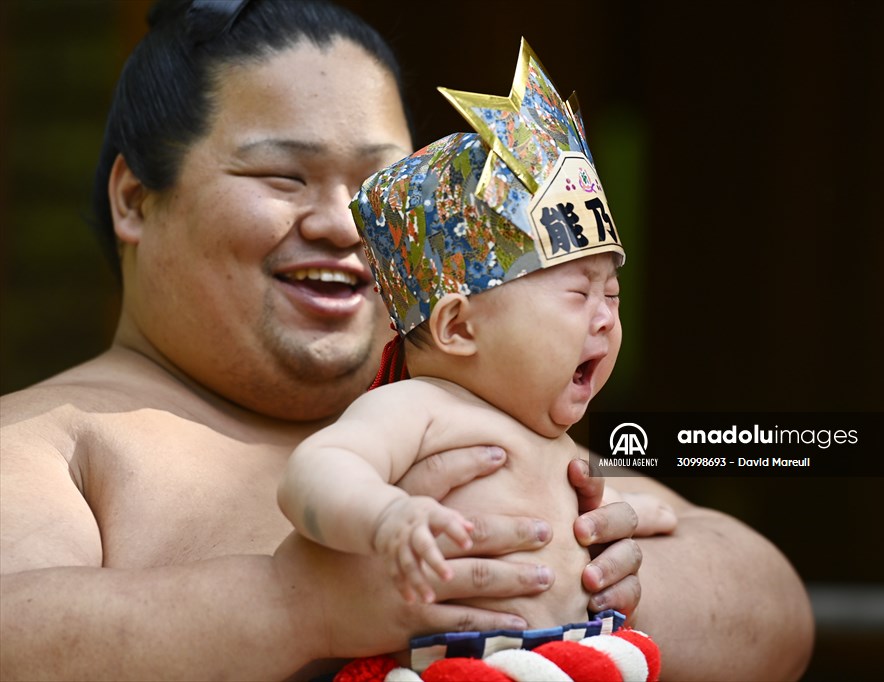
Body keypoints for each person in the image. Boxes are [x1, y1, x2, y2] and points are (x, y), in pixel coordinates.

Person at [0, 1, 814, 680]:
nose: (344, 224)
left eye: (378, 191)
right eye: (284, 177)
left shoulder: (496, 411)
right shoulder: (53, 439)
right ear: (136, 199)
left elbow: (775, 610)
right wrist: (296, 608)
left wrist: (595, 585)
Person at [279, 47, 652, 674]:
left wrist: (625, 535)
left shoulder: (557, 440)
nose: (605, 317)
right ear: (457, 325)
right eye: (577, 293)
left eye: (611, 294)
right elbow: (314, 472)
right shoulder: (418, 408)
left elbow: (639, 519)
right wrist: (386, 517)